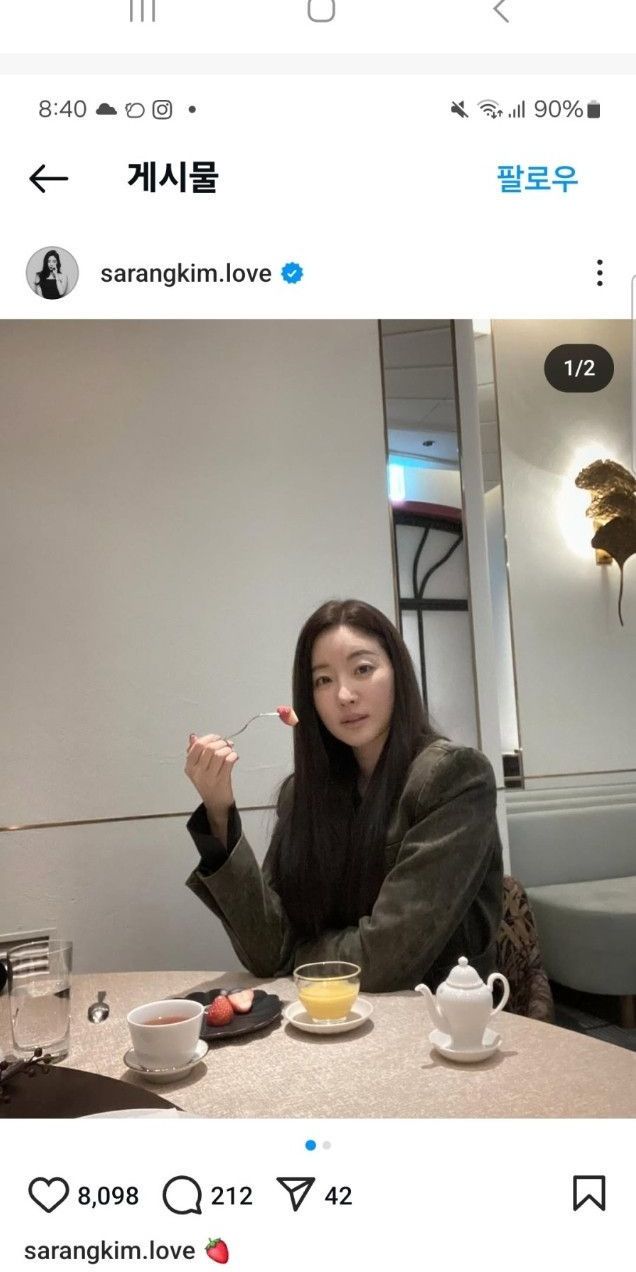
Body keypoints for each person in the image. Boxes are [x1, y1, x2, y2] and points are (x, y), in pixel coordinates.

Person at [184, 598, 503, 992]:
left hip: (436, 1020)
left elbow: (385, 959)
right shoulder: (303, 794)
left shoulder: (454, 777)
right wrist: (219, 811)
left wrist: (294, 956)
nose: (344, 695)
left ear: (398, 673)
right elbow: (266, 949)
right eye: (323, 680)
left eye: (363, 669)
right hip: (325, 1015)